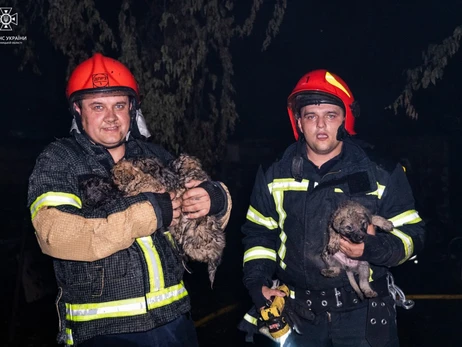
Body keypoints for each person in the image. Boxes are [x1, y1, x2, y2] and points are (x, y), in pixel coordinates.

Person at [27, 53, 231, 346]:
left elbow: (201, 227)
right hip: (104, 331)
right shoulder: (59, 161)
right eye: (98, 106)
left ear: (132, 109)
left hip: (175, 321)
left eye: (119, 105)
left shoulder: (155, 155)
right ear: (77, 109)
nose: (111, 117)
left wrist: (216, 199)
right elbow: (54, 235)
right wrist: (147, 215)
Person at [240, 69, 425, 346]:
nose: (321, 125)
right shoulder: (274, 173)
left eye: (330, 115)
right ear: (299, 123)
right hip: (298, 315)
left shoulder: (381, 171)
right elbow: (259, 235)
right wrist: (257, 284)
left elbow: (414, 235)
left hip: (363, 313)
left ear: (345, 119)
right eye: (311, 116)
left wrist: (373, 248)